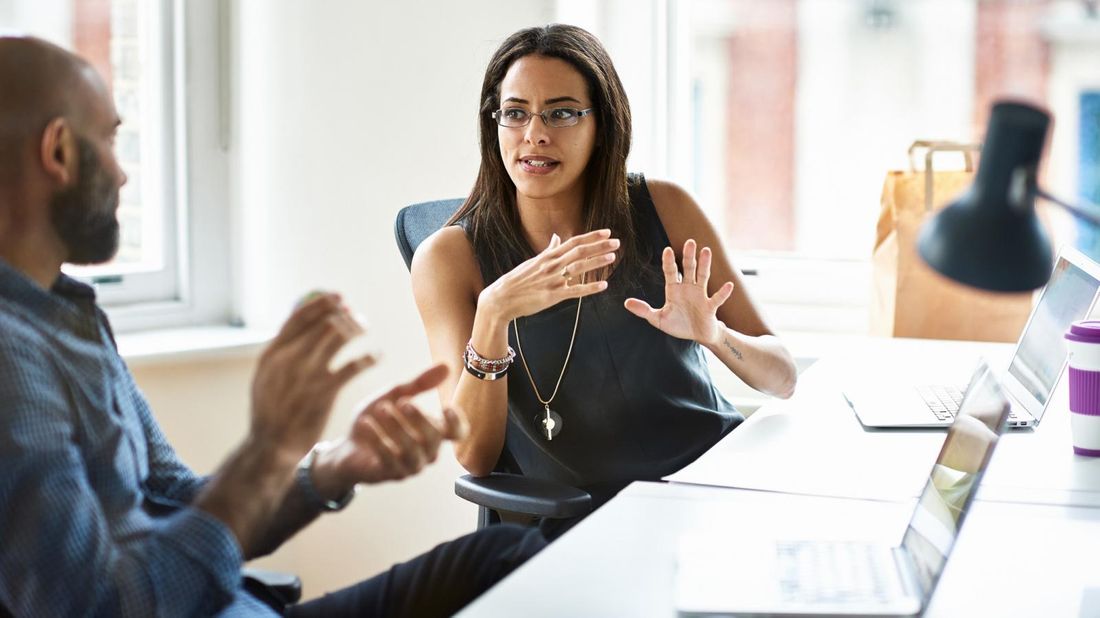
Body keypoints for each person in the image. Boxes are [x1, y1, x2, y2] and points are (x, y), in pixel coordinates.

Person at [0, 36, 545, 617]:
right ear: (58, 152)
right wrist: (268, 446)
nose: (122, 174)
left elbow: (186, 507)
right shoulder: (12, 355)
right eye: (109, 140)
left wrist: (337, 464)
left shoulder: (68, 315)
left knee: (512, 555)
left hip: (240, 605)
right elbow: (99, 608)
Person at [411, 24, 799, 536]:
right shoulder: (448, 258)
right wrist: (493, 314)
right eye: (515, 112)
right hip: (584, 522)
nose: (535, 134)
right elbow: (474, 457)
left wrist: (716, 337)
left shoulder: (666, 207)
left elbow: (784, 378)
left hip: (712, 492)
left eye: (563, 112)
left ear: (604, 124)